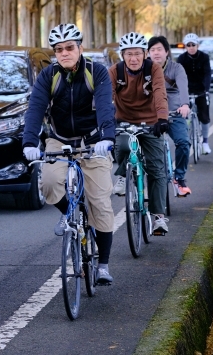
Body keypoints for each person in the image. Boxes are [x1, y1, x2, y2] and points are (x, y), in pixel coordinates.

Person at [22, 22, 116, 283]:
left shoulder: (95, 72)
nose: (64, 53)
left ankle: (103, 266)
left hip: (92, 141)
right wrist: (30, 143)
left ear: (80, 48)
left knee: (100, 202)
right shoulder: (47, 76)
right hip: (59, 140)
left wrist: (107, 138)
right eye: (59, 49)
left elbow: (106, 108)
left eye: (69, 48)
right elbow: (35, 109)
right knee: (50, 183)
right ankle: (70, 216)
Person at [110, 31, 170, 236]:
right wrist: (104, 120)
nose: (133, 58)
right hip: (124, 122)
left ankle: (158, 217)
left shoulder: (153, 69)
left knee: (156, 168)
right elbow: (104, 98)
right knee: (121, 146)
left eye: (137, 53)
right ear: (122, 55)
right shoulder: (115, 72)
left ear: (145, 54)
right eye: (128, 54)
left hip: (151, 123)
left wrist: (162, 118)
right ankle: (122, 174)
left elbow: (160, 93)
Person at [148, 35, 191, 197]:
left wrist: (185, 104)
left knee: (183, 143)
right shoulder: (145, 69)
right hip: (152, 115)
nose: (156, 53)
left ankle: (179, 177)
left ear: (167, 52)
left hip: (174, 112)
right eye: (152, 50)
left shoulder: (176, 68)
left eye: (159, 49)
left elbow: (183, 86)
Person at [177, 33, 212, 154]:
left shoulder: (204, 57)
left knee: (204, 116)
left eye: (193, 45)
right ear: (185, 46)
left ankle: (205, 142)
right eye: (188, 45)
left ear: (198, 45)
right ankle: (186, 138)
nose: (191, 47)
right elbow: (179, 76)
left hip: (201, 90)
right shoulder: (181, 59)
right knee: (183, 115)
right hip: (186, 90)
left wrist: (206, 90)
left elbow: (208, 74)